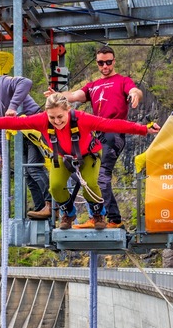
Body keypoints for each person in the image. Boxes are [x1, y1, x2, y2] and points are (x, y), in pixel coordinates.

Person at [0, 93, 159, 230]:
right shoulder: (42, 121)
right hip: (62, 157)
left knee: (91, 183)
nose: (56, 121)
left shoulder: (82, 119)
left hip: (89, 155)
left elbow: (112, 124)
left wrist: (144, 129)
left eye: (60, 117)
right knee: (55, 186)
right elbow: (14, 123)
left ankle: (97, 214)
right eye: (52, 118)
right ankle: (68, 213)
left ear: (68, 110)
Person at [44, 45, 144, 229]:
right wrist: (58, 96)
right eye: (101, 63)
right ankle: (100, 215)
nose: (105, 66)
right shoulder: (93, 85)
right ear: (97, 63)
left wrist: (134, 94)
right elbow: (73, 95)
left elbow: (134, 90)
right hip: (97, 135)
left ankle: (111, 218)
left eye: (108, 62)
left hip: (113, 132)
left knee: (100, 176)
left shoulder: (122, 80)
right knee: (80, 174)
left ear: (114, 61)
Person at [0, 70, 52, 219]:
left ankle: (51, 204)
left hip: (35, 127)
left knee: (33, 168)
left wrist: (13, 106)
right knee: (27, 173)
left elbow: (26, 82)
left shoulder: (3, 82)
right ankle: (41, 207)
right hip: (22, 134)